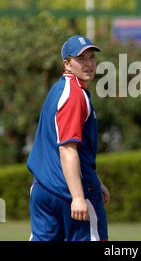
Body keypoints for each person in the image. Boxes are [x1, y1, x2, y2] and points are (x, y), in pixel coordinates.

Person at [27, 35, 110, 241]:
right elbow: (67, 148)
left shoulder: (58, 89)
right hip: (67, 191)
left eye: (91, 57)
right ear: (67, 63)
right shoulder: (74, 95)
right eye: (81, 59)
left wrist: (96, 180)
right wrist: (79, 197)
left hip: (42, 189)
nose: (89, 63)